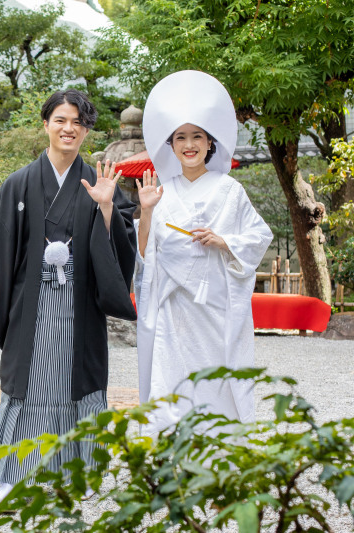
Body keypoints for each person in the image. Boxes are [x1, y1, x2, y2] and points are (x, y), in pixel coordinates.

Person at [0, 89, 138, 511]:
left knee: (80, 385)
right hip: (29, 302)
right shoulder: (19, 182)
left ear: (86, 130)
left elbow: (124, 243)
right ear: (46, 124)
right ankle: (14, 476)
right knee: (28, 385)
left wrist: (109, 208)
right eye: (61, 119)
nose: (69, 128)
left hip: (79, 304)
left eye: (78, 122)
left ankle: (85, 472)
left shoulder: (99, 181)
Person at [134, 70, 273, 436]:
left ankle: (220, 463)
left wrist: (224, 240)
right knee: (172, 383)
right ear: (171, 145)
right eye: (181, 137)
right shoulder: (161, 193)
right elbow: (146, 252)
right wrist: (146, 211)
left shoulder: (229, 190)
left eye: (197, 136)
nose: (189, 144)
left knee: (216, 384)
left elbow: (259, 235)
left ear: (210, 143)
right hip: (174, 309)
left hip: (214, 307)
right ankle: (174, 465)